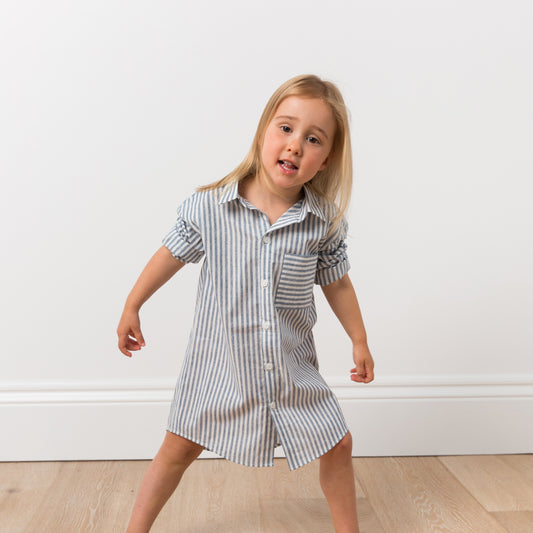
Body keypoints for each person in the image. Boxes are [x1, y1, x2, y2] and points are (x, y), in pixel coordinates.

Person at [117, 73, 375, 533]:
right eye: (286, 128)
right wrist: (133, 304)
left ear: (325, 159)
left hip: (290, 369)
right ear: (262, 133)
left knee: (338, 444)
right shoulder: (211, 209)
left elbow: (337, 284)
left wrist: (359, 339)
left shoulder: (322, 224)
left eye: (312, 139)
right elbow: (169, 254)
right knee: (177, 449)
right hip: (220, 368)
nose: (295, 145)